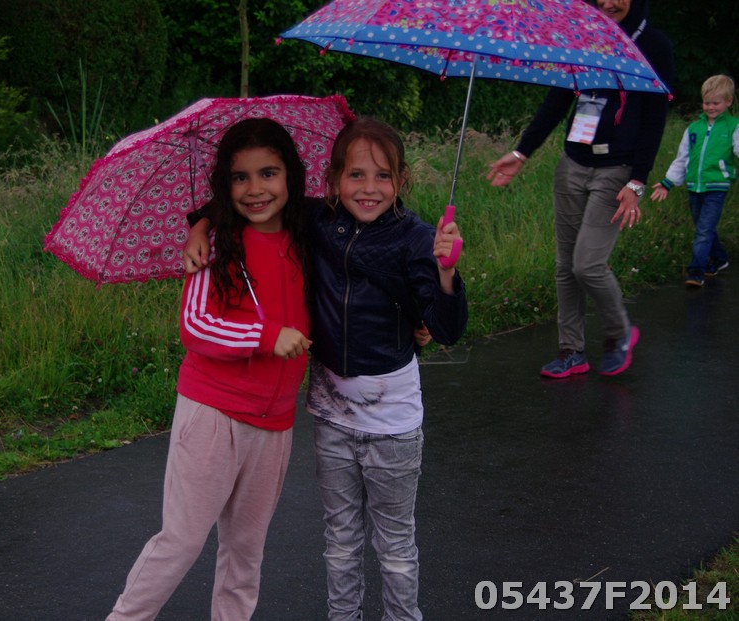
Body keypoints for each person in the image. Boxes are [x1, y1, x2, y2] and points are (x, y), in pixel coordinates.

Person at [186, 117, 468, 620]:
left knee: (394, 543)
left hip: (392, 420)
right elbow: (247, 203)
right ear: (333, 179)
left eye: (383, 176)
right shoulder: (316, 220)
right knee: (340, 537)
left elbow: (445, 328)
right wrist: (201, 226)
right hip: (332, 413)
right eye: (355, 175)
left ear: (402, 180)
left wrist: (446, 273)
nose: (368, 188)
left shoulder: (417, 240)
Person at [105, 117, 313, 621]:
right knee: (181, 540)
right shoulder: (216, 246)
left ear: (291, 175)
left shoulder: (308, 237)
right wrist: (265, 336)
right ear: (225, 184)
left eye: (268, 173)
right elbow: (195, 326)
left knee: (246, 550)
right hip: (213, 414)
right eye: (240, 177)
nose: (256, 189)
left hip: (274, 423)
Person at [486, 0, 675, 378]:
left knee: (587, 264)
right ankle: (571, 350)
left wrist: (637, 180)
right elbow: (558, 99)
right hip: (572, 164)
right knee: (565, 266)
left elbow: (656, 117)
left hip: (616, 171)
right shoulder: (583, 38)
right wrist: (522, 152)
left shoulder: (653, 44)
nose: (609, 3)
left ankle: (620, 332)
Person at [650, 74, 739, 286]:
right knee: (703, 227)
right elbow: (682, 158)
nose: (710, 107)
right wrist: (667, 183)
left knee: (704, 231)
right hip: (694, 187)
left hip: (717, 186)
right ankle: (720, 258)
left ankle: (696, 272)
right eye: (707, 103)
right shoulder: (693, 128)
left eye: (716, 103)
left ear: (728, 102)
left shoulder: (733, 126)